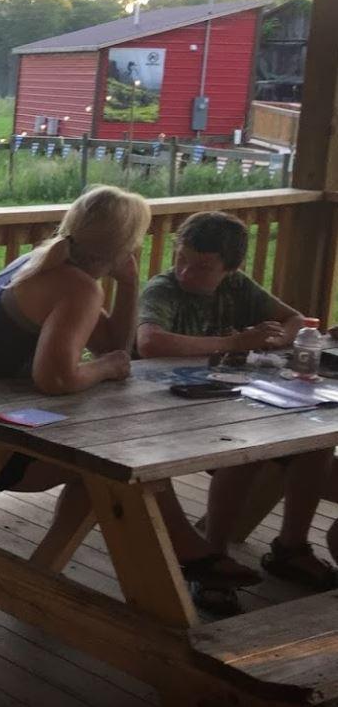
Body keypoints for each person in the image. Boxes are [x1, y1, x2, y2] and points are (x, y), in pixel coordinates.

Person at [0, 186, 253, 605]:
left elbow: (112, 341)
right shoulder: (75, 287)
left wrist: (129, 285)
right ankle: (182, 557)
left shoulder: (38, 262)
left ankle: (48, 570)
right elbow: (57, 380)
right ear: (127, 241)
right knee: (118, 464)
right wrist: (107, 369)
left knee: (114, 460)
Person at [136, 211, 334, 610]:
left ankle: (291, 547)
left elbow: (294, 319)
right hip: (160, 409)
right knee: (243, 449)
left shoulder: (239, 287)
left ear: (231, 268)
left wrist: (277, 338)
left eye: (203, 266)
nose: (188, 272)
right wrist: (236, 343)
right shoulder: (164, 289)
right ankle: (211, 558)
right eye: (183, 259)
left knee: (314, 443)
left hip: (223, 398)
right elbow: (150, 344)